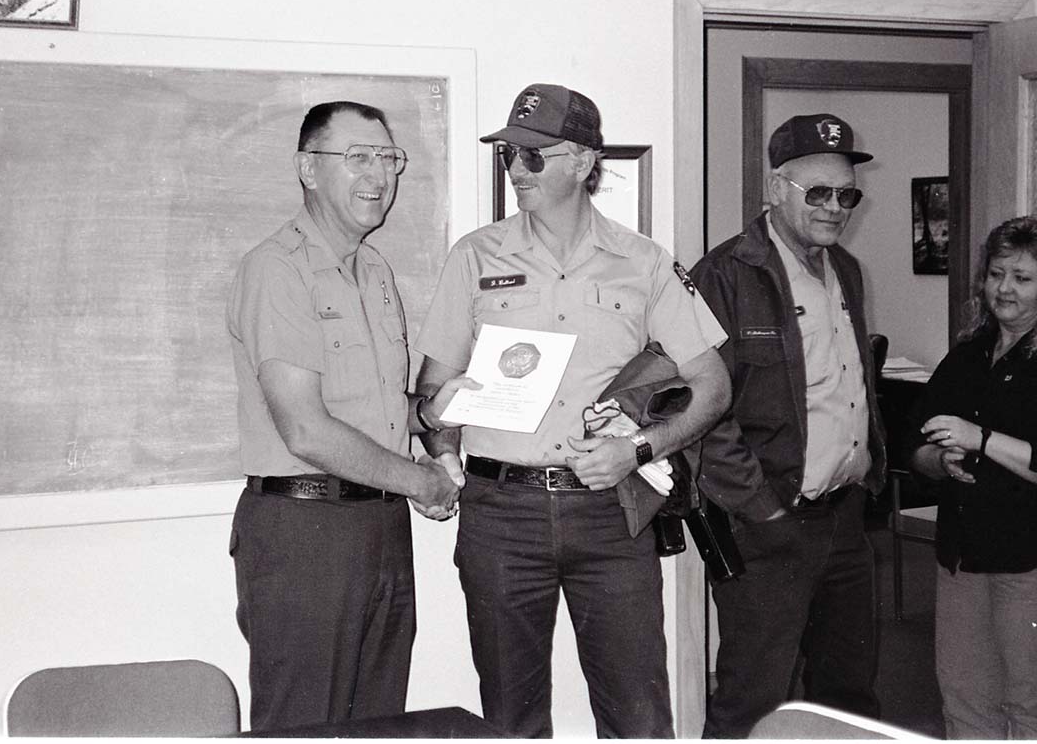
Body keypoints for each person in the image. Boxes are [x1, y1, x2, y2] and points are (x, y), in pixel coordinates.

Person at [415, 83, 731, 738]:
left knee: (638, 718)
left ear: (585, 162)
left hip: (609, 513)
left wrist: (638, 449)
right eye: (509, 154)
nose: (516, 169)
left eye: (534, 155)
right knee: (511, 719)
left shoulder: (644, 263)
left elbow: (714, 386)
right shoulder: (474, 255)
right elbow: (432, 391)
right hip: (501, 513)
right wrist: (442, 446)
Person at [226, 100, 475, 731]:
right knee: (304, 727)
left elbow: (377, 411)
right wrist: (422, 481)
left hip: (380, 527)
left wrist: (431, 416)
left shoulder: (376, 271)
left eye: (388, 158)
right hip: (305, 534)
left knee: (377, 725)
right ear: (308, 169)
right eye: (358, 156)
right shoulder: (278, 269)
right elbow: (305, 429)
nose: (379, 174)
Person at [690, 113, 887, 738]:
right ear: (777, 187)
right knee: (755, 701)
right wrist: (763, 512)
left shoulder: (845, 270)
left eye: (847, 196)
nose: (834, 208)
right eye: (818, 192)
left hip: (845, 518)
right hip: (769, 525)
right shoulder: (724, 274)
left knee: (847, 698)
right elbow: (702, 410)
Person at [908, 215, 1037, 739]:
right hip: (961, 557)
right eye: (996, 274)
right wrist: (938, 461)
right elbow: (916, 448)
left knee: (1028, 703)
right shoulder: (967, 354)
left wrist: (980, 438)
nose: (1004, 288)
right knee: (964, 700)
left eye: (1023, 278)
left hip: (1027, 563)